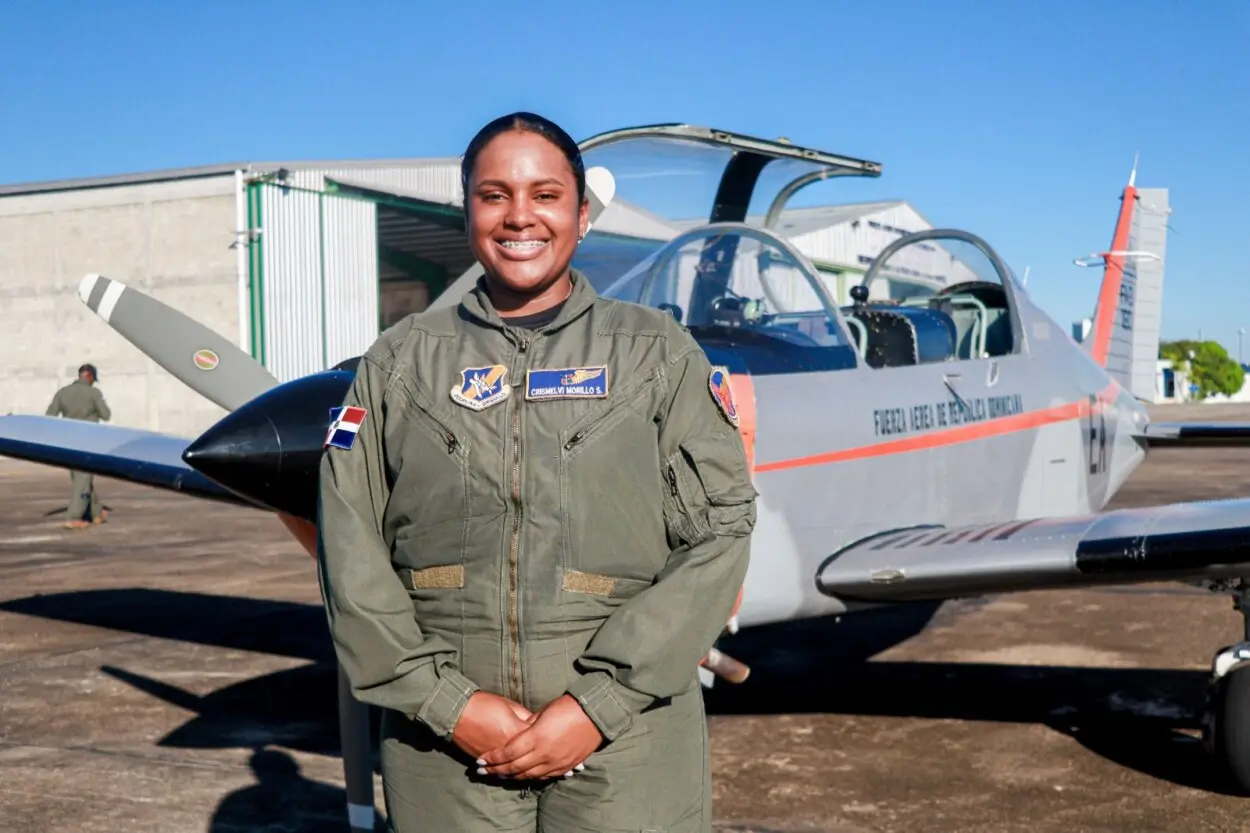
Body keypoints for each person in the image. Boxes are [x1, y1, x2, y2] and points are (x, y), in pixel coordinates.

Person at [317, 111, 756, 832]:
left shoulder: (656, 354)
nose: (520, 215)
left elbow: (722, 529)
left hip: (629, 741)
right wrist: (447, 704)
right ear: (468, 213)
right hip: (446, 749)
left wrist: (597, 705)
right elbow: (349, 538)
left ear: (581, 215)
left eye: (545, 194)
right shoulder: (398, 363)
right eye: (494, 195)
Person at [46, 363, 112, 529]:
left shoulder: (62, 393)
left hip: (68, 441)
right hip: (88, 440)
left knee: (81, 477)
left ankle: (96, 512)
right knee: (83, 479)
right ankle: (74, 517)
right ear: (90, 377)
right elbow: (106, 415)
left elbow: (49, 417)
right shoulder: (93, 393)